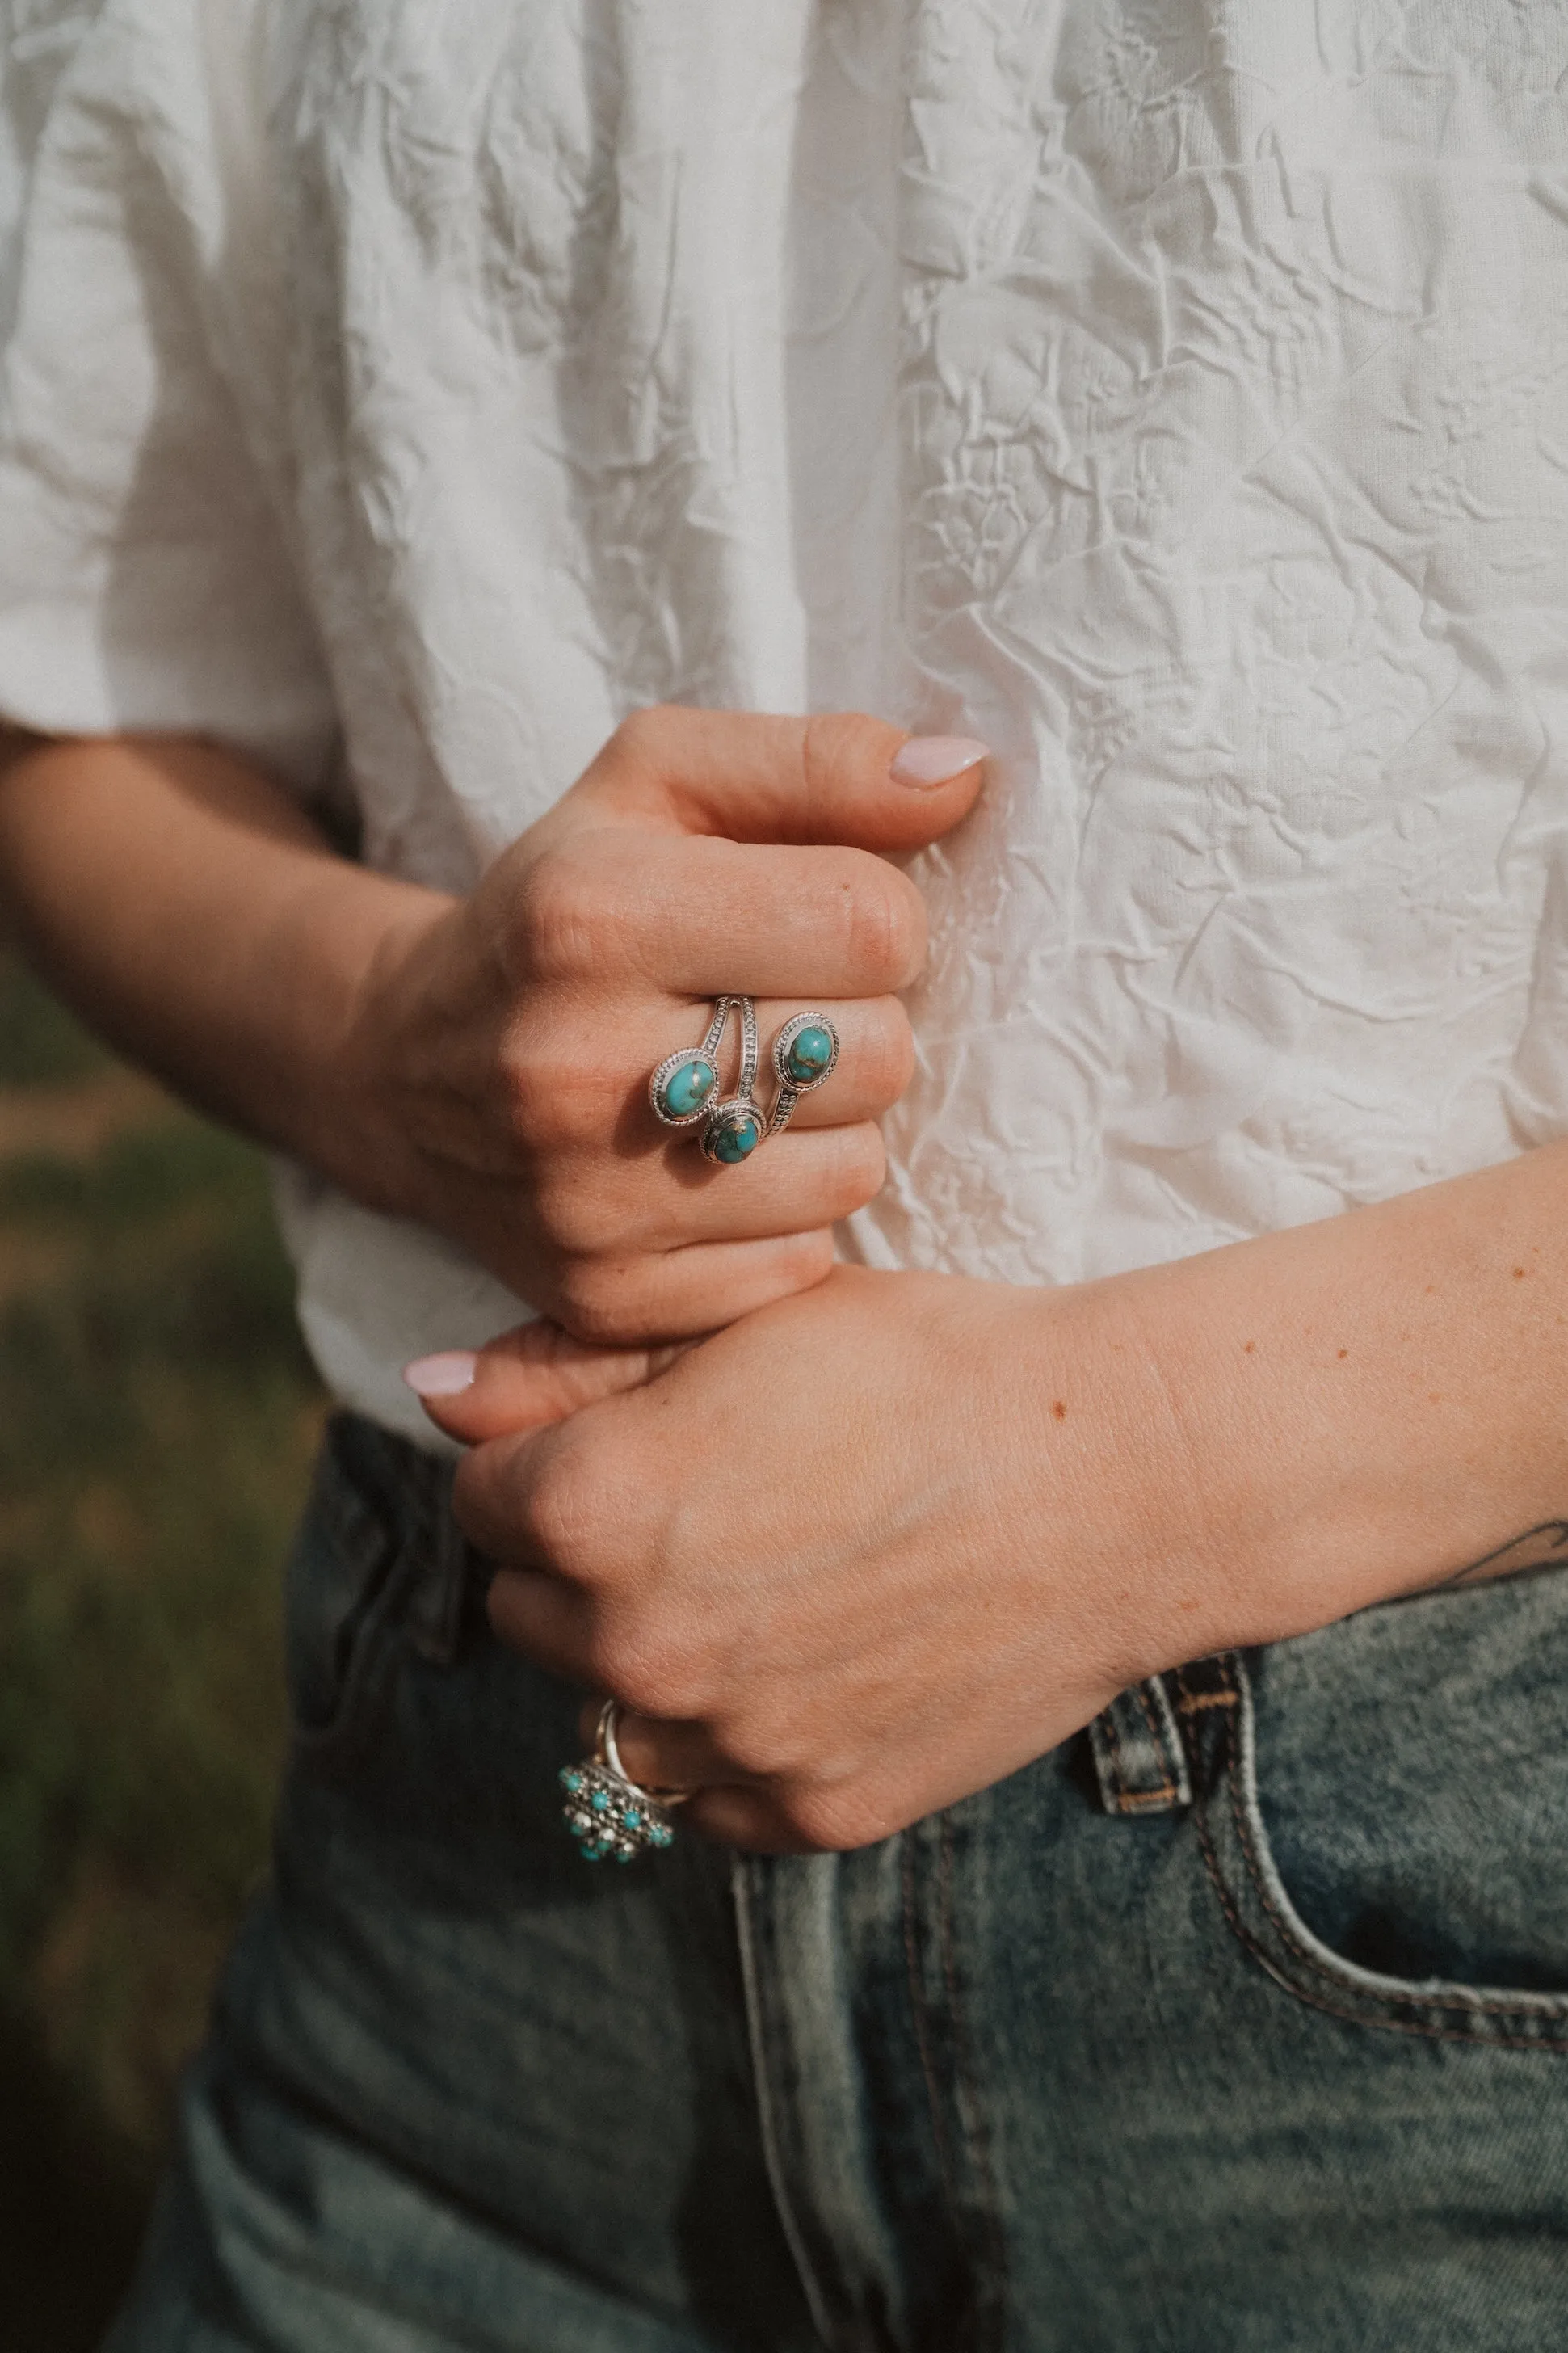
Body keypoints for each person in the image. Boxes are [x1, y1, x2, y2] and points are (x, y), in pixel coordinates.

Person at [3, 0, 1568, 2343]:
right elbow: (81, 692)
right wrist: (395, 1047)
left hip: (1433, 1964)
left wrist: (1137, 1469)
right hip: (475, 1903)